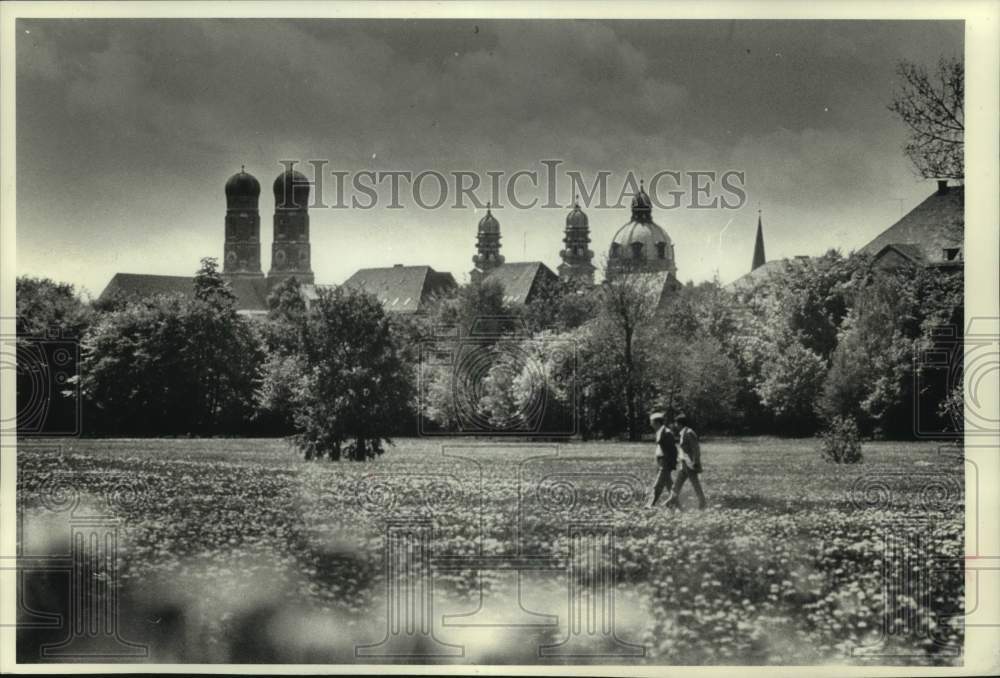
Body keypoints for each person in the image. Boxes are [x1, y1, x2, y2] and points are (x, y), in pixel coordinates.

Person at [664, 414, 707, 510]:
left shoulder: (689, 433)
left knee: (695, 484)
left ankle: (702, 502)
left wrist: (695, 461)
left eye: (676, 423)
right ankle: (670, 502)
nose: (675, 425)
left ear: (680, 424)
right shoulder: (683, 433)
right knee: (677, 484)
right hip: (684, 463)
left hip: (690, 464)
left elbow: (696, 448)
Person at [645, 412, 678, 508]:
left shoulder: (666, 433)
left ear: (657, 423)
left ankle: (650, 504)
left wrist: (670, 463)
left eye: (652, 422)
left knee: (658, 484)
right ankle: (677, 504)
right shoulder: (660, 431)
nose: (650, 424)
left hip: (665, 462)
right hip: (661, 461)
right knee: (669, 485)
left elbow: (672, 450)